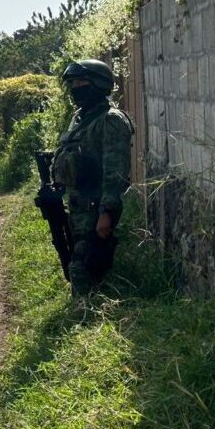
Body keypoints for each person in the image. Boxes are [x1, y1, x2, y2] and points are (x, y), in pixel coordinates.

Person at [52, 59, 133, 296]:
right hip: (79, 205)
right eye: (72, 83)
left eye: (81, 82)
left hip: (97, 206)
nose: (75, 87)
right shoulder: (80, 118)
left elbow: (115, 171)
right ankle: (89, 306)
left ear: (98, 84)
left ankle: (86, 314)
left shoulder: (110, 120)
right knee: (75, 260)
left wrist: (106, 212)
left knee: (82, 265)